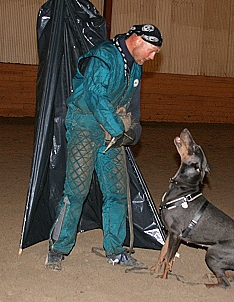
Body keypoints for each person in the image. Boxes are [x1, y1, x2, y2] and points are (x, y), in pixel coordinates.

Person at [45, 24, 163, 270]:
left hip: (111, 132)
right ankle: (58, 248)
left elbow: (132, 103)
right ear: (137, 40)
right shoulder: (104, 56)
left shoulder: (136, 66)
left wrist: (135, 129)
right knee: (76, 192)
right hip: (85, 126)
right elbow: (95, 98)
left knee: (116, 193)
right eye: (151, 50)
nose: (152, 57)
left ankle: (116, 250)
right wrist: (119, 132)